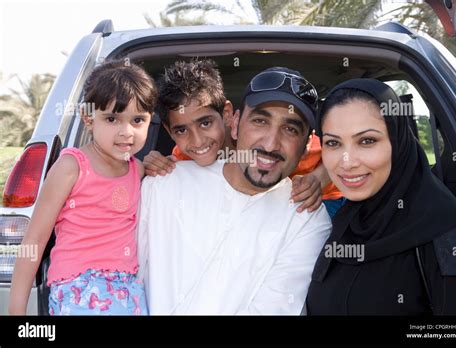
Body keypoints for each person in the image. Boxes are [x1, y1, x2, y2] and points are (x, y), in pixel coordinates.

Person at [137, 67, 332, 314]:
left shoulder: (307, 218)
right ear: (236, 123)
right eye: (260, 121)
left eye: (291, 129)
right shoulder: (163, 183)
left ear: (307, 145)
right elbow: (124, 275)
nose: (271, 144)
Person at [306, 78, 456, 315]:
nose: (347, 162)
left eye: (367, 141)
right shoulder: (348, 221)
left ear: (398, 142)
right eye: (333, 143)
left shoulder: (450, 237)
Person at [9, 60, 158, 315]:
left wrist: (159, 161)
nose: (126, 132)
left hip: (128, 291)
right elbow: (34, 239)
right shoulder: (72, 166)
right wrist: (16, 311)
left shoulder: (139, 170)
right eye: (112, 118)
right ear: (88, 118)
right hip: (77, 291)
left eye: (137, 120)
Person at [143, 59, 343, 215]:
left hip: (326, 199)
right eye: (181, 130)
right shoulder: (182, 160)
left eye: (205, 123)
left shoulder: (288, 147)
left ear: (228, 116)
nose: (198, 141)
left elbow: (342, 151)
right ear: (170, 133)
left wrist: (318, 178)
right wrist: (149, 167)